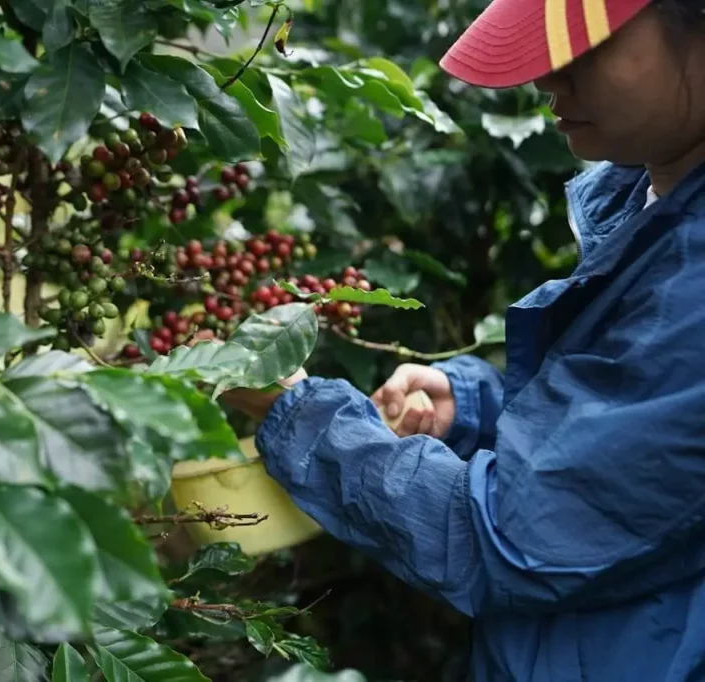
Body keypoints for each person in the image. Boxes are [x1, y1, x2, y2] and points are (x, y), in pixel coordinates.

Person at [216, 0, 705, 680]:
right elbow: (636, 435)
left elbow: (509, 540)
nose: (546, 77)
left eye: (585, 46)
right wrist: (475, 407)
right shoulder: (648, 190)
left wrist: (297, 413)